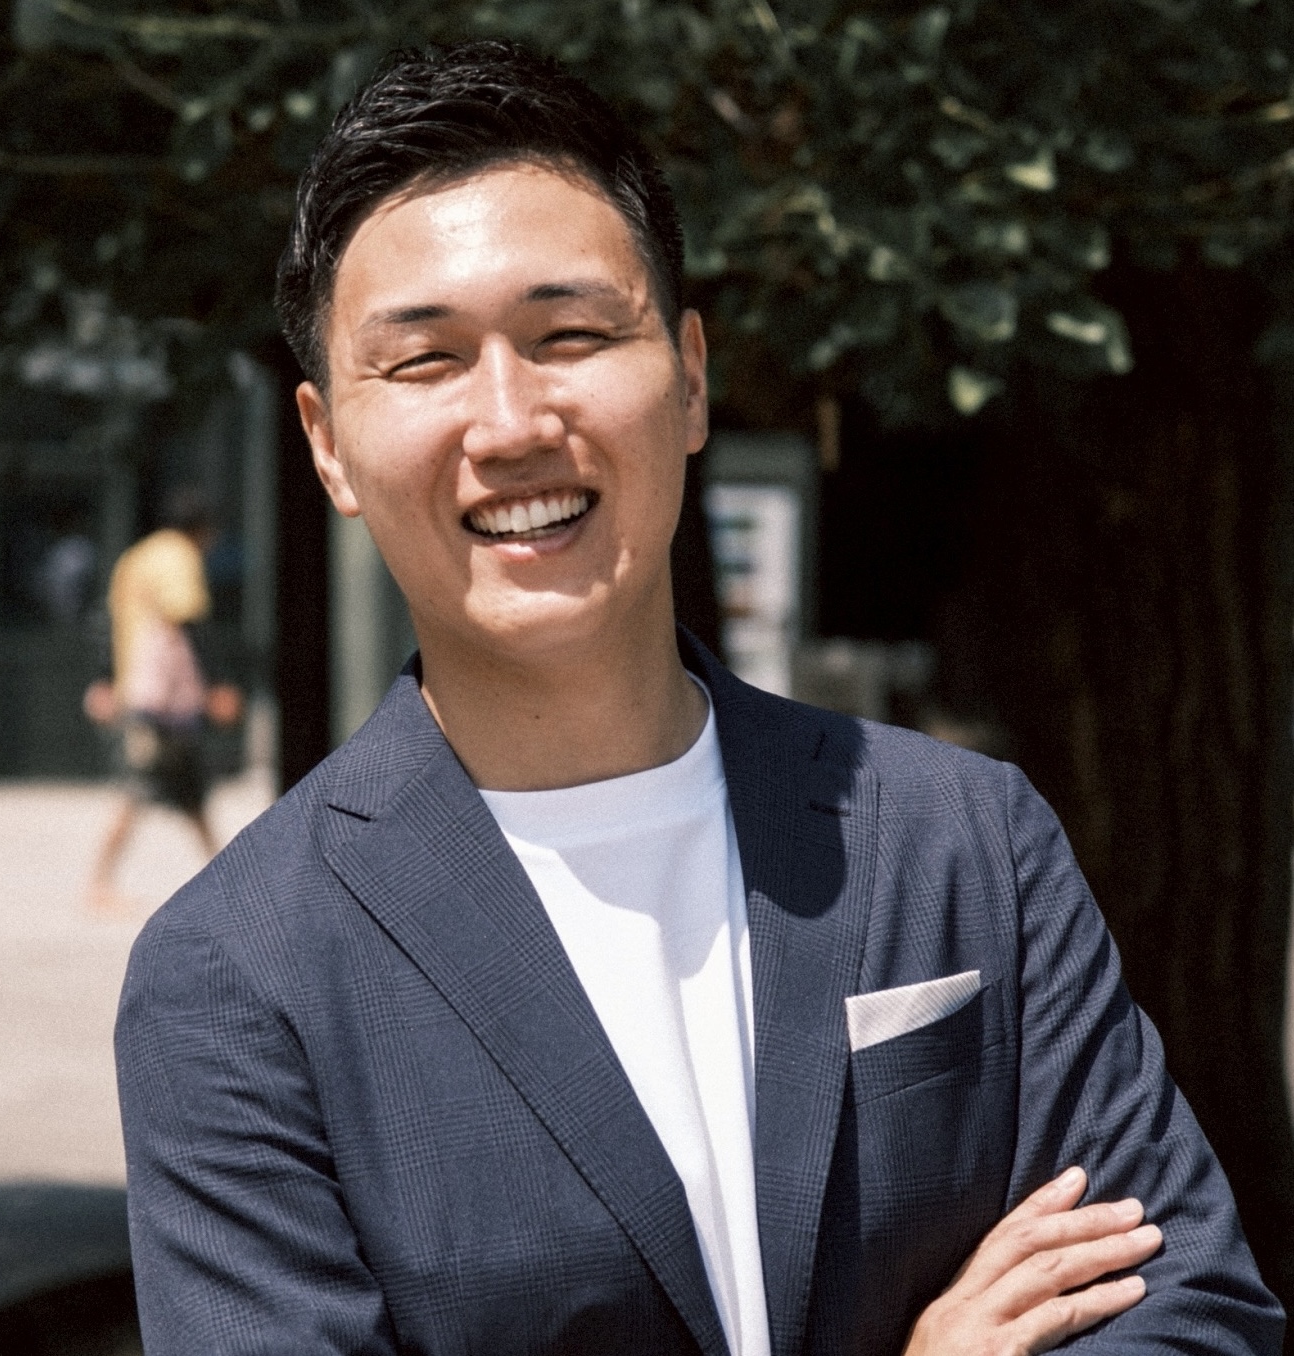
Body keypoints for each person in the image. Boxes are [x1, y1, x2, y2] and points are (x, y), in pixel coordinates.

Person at [114, 41, 1282, 1356]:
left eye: (569, 336)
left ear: (691, 378)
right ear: (329, 445)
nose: (510, 423)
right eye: (426, 361)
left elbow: (1190, 1309)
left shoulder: (961, 841)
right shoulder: (240, 978)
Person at [86, 490, 242, 910]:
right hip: (160, 699)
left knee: (190, 791)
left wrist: (104, 678)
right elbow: (189, 622)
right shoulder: (180, 557)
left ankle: (228, 877)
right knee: (137, 787)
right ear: (203, 529)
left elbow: (111, 622)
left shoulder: (136, 557)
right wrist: (218, 683)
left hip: (140, 691)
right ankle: (98, 883)